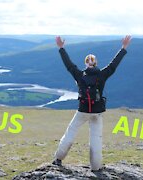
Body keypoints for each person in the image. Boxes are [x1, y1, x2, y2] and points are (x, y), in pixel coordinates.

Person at [52, 35, 132, 171]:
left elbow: (69, 65)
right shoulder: (102, 75)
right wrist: (123, 48)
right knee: (96, 139)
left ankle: (58, 159)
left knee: (70, 133)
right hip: (97, 112)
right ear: (96, 63)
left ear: (86, 63)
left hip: (82, 111)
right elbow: (114, 64)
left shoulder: (79, 74)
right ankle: (95, 167)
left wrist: (61, 48)